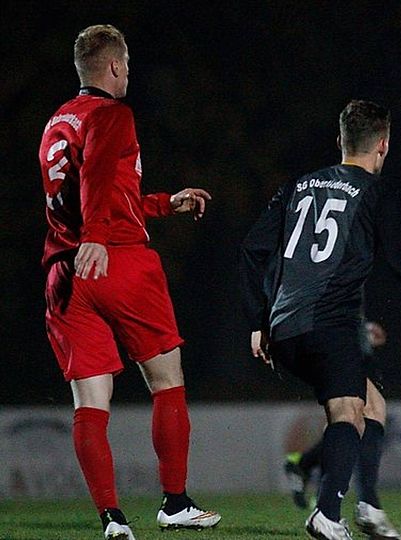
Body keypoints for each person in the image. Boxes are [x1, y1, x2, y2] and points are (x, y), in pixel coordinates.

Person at [240, 100, 401, 540]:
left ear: (340, 142)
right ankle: (328, 513)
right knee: (349, 413)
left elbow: (253, 251)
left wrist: (258, 320)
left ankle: (368, 506)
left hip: (283, 329)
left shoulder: (297, 186)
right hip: (328, 325)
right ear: (384, 144)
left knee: (372, 407)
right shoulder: (376, 192)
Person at [39, 24, 221, 540]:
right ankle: (175, 502)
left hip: (64, 274)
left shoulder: (56, 122)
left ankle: (113, 519)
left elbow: (96, 194)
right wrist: (98, 236)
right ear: (116, 67)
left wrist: (165, 203)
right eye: (127, 68)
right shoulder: (113, 113)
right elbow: (98, 175)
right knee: (167, 381)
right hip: (115, 261)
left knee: (90, 404)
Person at [284, 320, 401, 539]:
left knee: (347, 419)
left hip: (336, 335)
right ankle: (359, 507)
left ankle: (309, 473)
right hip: (333, 337)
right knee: (365, 411)